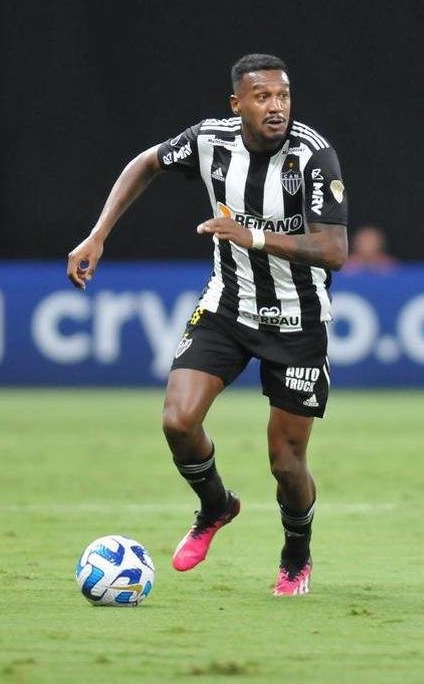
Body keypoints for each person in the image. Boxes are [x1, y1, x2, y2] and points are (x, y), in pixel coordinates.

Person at [66, 54, 348, 597]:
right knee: (177, 420)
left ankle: (296, 553)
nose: (276, 106)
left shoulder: (313, 156)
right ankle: (216, 505)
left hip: (298, 321)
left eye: (283, 96)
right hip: (226, 308)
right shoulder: (210, 140)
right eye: (262, 96)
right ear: (237, 103)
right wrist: (98, 234)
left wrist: (255, 236)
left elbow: (334, 250)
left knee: (286, 463)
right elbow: (144, 163)